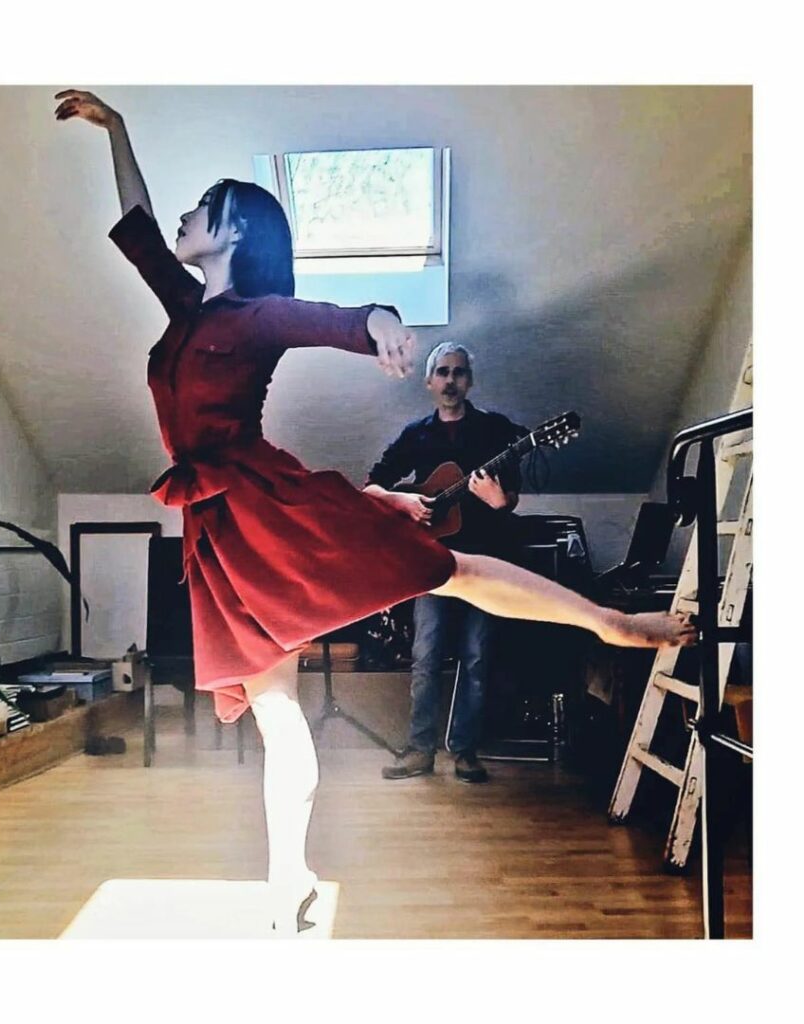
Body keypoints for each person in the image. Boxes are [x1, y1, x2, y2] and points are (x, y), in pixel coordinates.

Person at [54, 89, 696, 936]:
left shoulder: (255, 316)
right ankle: (291, 878)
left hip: (263, 501)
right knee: (278, 712)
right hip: (215, 531)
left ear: (237, 230)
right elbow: (138, 222)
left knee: (448, 569)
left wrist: (386, 323)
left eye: (201, 210)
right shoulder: (187, 309)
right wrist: (118, 129)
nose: (183, 217)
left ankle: (612, 622)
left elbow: (341, 317)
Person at [365, 343, 526, 783]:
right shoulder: (416, 435)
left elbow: (509, 495)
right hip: (431, 562)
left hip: (484, 561)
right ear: (429, 382)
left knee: (477, 658)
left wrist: (501, 501)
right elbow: (371, 487)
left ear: (469, 381)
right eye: (442, 372)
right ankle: (420, 750)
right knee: (426, 655)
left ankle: (466, 751)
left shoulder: (495, 432)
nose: (450, 380)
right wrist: (404, 501)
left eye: (458, 372)